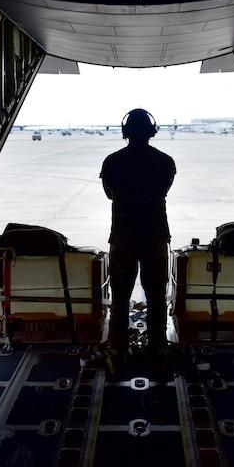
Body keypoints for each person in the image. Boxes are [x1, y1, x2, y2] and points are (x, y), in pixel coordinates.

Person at [81, 108, 176, 373]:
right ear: (151, 132)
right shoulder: (165, 161)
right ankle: (158, 355)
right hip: (155, 237)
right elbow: (163, 189)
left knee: (120, 300)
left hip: (123, 238)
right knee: (156, 297)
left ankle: (116, 357)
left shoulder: (112, 162)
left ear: (125, 132)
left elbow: (110, 195)